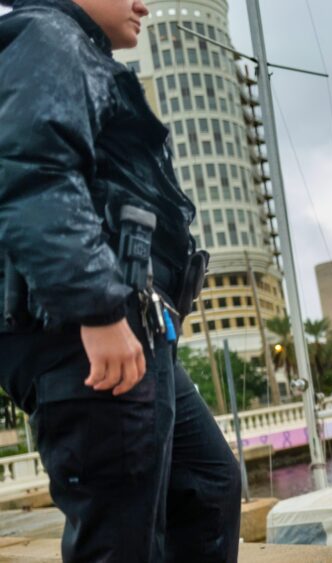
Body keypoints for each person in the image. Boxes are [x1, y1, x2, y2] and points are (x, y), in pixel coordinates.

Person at [0, 0, 241, 561]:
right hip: (84, 331)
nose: (143, 3)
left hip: (136, 326)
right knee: (122, 540)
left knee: (208, 487)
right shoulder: (48, 36)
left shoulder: (70, 48)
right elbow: (32, 171)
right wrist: (97, 309)